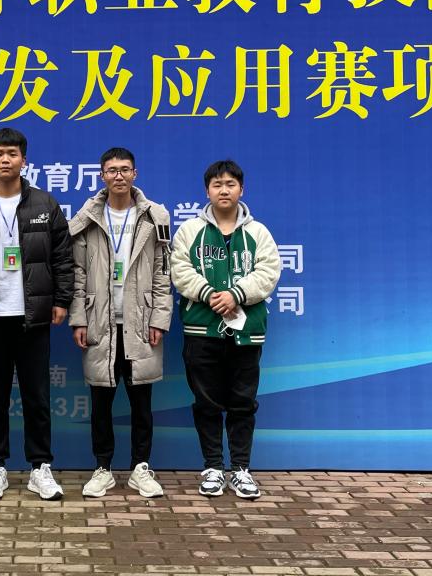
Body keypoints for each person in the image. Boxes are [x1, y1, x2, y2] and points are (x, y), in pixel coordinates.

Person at [0, 128, 74, 500]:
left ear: (24, 160)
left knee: (37, 396)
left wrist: (61, 300)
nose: (5, 160)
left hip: (32, 316)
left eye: (12, 153)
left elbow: (63, 258)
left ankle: (40, 467)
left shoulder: (45, 205)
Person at [171, 159, 281, 499]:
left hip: (246, 332)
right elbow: (179, 268)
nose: (224, 190)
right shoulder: (190, 230)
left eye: (230, 184)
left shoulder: (258, 232)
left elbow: (269, 271)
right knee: (206, 403)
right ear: (207, 191)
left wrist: (236, 294)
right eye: (217, 184)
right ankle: (213, 468)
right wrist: (209, 294)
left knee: (243, 403)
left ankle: (241, 469)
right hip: (202, 330)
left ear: (241, 189)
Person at [68, 148, 172, 498]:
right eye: (111, 170)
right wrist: (78, 319)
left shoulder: (154, 216)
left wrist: (159, 318)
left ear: (135, 174)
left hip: (140, 320)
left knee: (142, 401)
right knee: (101, 401)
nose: (118, 176)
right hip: (100, 321)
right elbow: (78, 273)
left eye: (125, 169)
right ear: (102, 176)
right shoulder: (88, 217)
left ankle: (141, 467)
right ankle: (103, 468)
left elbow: (163, 272)